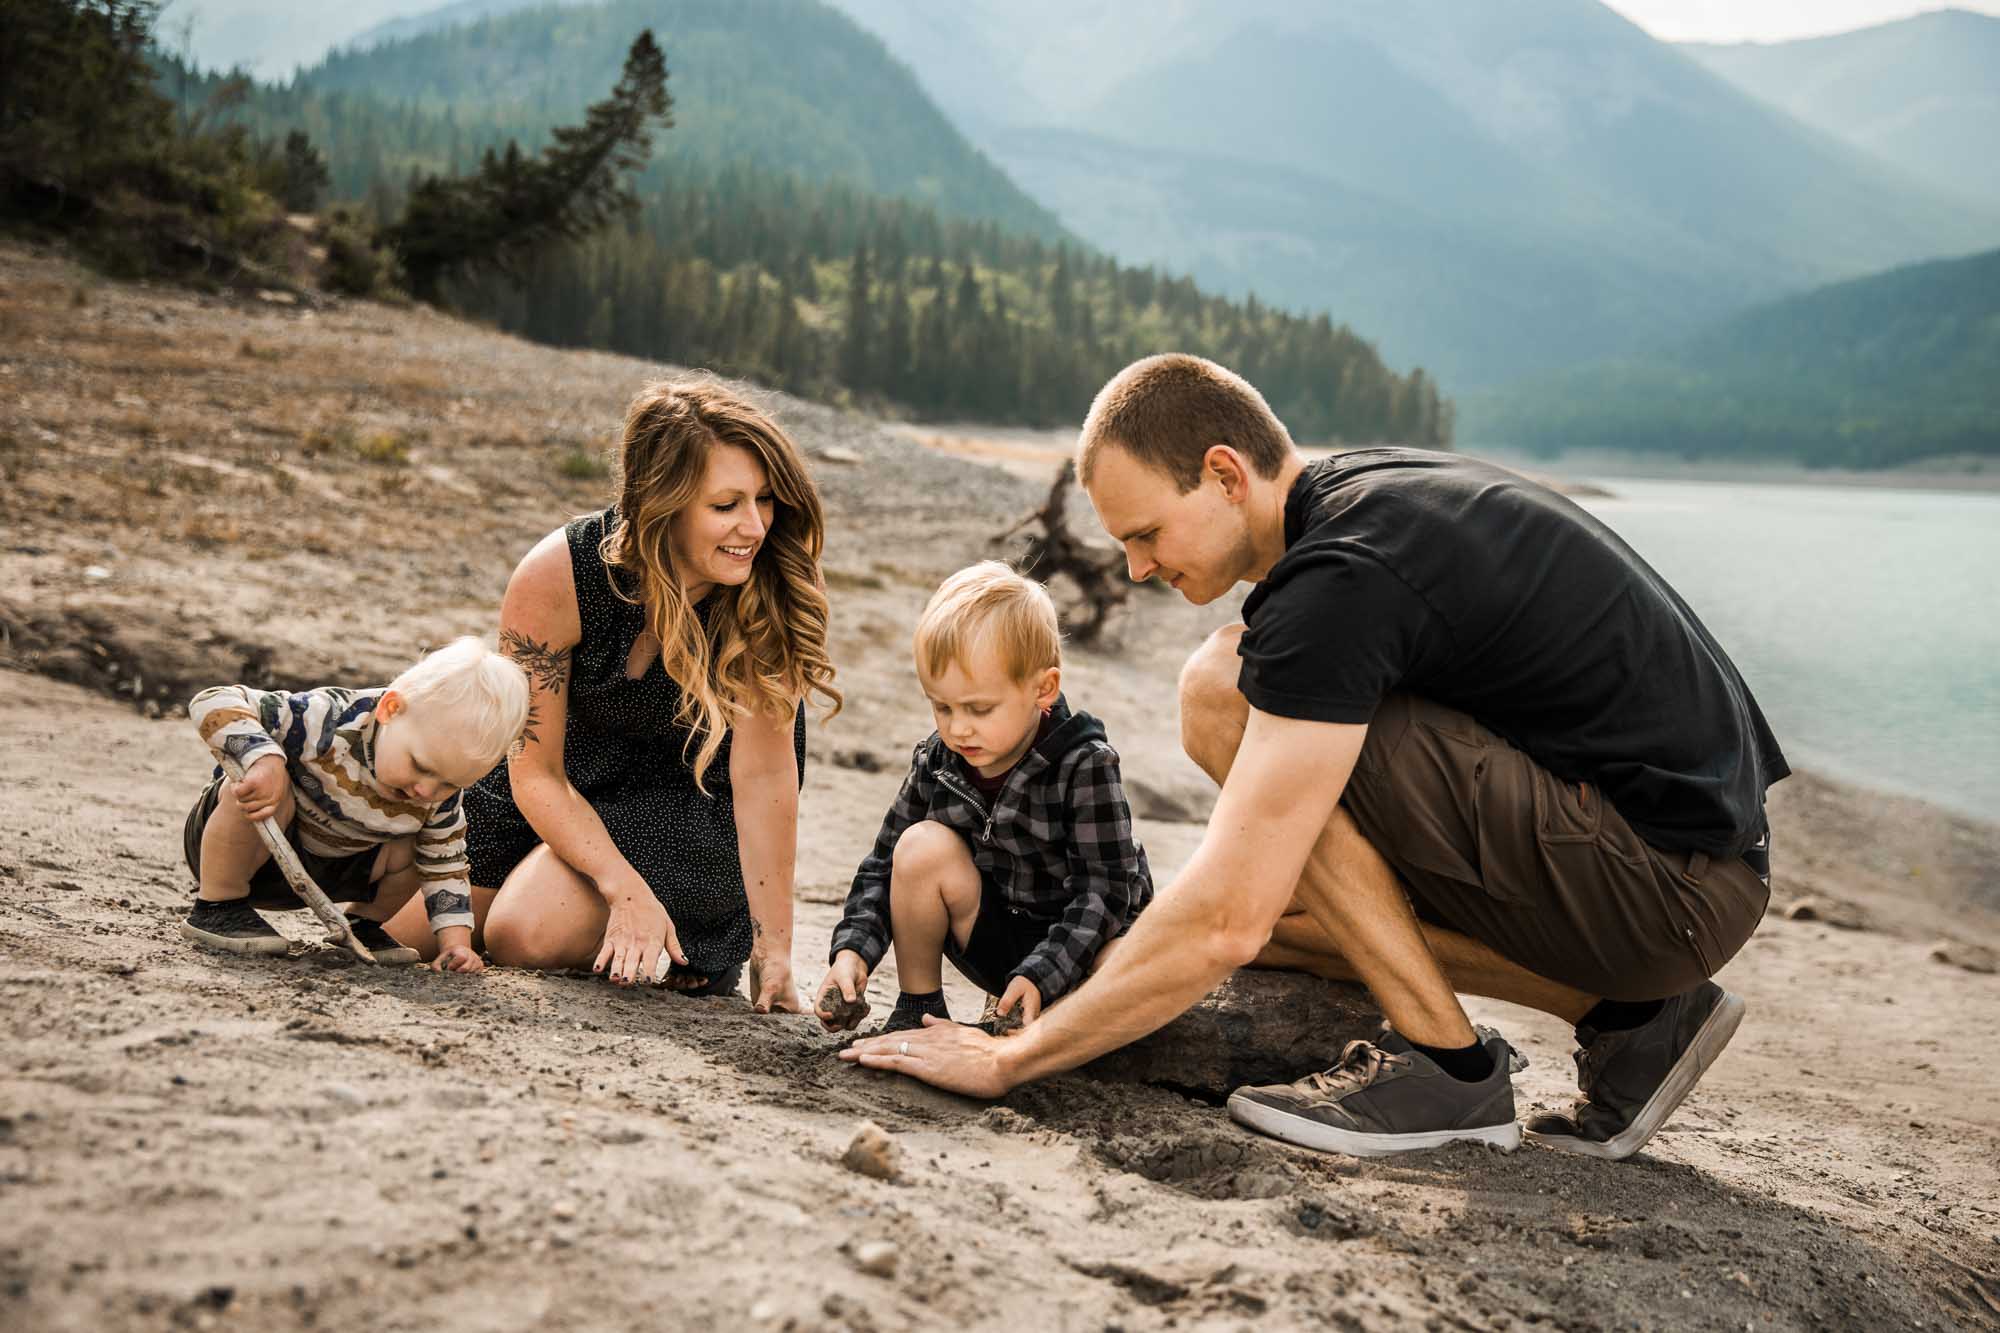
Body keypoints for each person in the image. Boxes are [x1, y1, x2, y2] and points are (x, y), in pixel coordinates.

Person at [846, 353, 1785, 1162]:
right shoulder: (1359, 499)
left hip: (1672, 887)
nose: (1135, 568)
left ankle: (1450, 1071)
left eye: (1145, 534)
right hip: (1678, 869)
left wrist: (1015, 1056)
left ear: (1223, 475)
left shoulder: (1341, 577)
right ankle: (1632, 1017)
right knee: (1306, 916)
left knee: (1224, 695)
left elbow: (1224, 921)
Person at [382, 378, 839, 1010]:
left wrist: (775, 954)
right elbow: (535, 770)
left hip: (689, 808)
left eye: (763, 500)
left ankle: (695, 945)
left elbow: (765, 783)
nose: (755, 526)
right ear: (662, 504)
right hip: (562, 787)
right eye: (726, 505)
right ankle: (587, 902)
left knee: (523, 931)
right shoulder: (558, 576)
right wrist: (622, 890)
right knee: (390, 935)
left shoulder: (767, 594)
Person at [815, 562, 1153, 1036]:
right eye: (942, 706)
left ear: (1043, 689)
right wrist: (852, 951)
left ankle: (1045, 1018)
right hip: (994, 934)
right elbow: (883, 865)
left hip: (1081, 944)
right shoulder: (939, 759)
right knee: (918, 847)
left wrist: (1042, 973)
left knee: (1128, 962)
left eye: (979, 709)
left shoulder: (1085, 764)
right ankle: (919, 1005)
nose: (957, 728)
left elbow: (1105, 892)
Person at [180, 636, 529, 972]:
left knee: (422, 843)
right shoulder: (326, 719)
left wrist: (456, 944)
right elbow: (214, 699)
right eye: (421, 767)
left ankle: (365, 924)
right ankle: (217, 906)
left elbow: (446, 866)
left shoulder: (437, 798)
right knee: (269, 783)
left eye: (451, 783)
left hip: (329, 873)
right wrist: (262, 758)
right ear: (391, 710)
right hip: (245, 847)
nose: (426, 790)